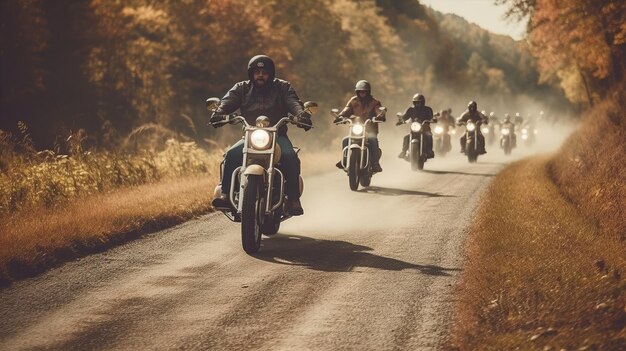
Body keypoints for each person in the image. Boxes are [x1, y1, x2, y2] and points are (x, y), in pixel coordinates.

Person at [209, 55, 312, 215]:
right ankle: (225, 195)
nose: (260, 75)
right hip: (250, 137)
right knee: (231, 155)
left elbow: (293, 102)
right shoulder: (241, 88)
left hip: (278, 136)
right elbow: (228, 101)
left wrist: (301, 114)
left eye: (264, 72)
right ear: (251, 73)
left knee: (290, 156)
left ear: (271, 73)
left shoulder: (282, 87)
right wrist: (219, 112)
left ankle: (293, 199)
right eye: (257, 71)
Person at [335, 80, 385, 172]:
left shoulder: (375, 102)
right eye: (360, 91)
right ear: (357, 92)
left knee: (372, 139)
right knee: (345, 140)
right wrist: (340, 116)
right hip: (356, 128)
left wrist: (380, 116)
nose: (362, 93)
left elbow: (378, 110)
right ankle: (345, 159)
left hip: (370, 129)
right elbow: (347, 110)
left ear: (368, 92)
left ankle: (375, 163)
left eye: (364, 91)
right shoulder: (353, 101)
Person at [396, 93, 435, 159]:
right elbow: (405, 117)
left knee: (429, 135)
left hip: (425, 128)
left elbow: (431, 117)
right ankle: (403, 152)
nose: (418, 104)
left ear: (423, 102)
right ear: (414, 103)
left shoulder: (428, 109)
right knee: (406, 137)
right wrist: (401, 120)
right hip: (414, 128)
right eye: (416, 102)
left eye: (420, 102)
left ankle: (429, 151)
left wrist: (432, 120)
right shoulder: (410, 109)